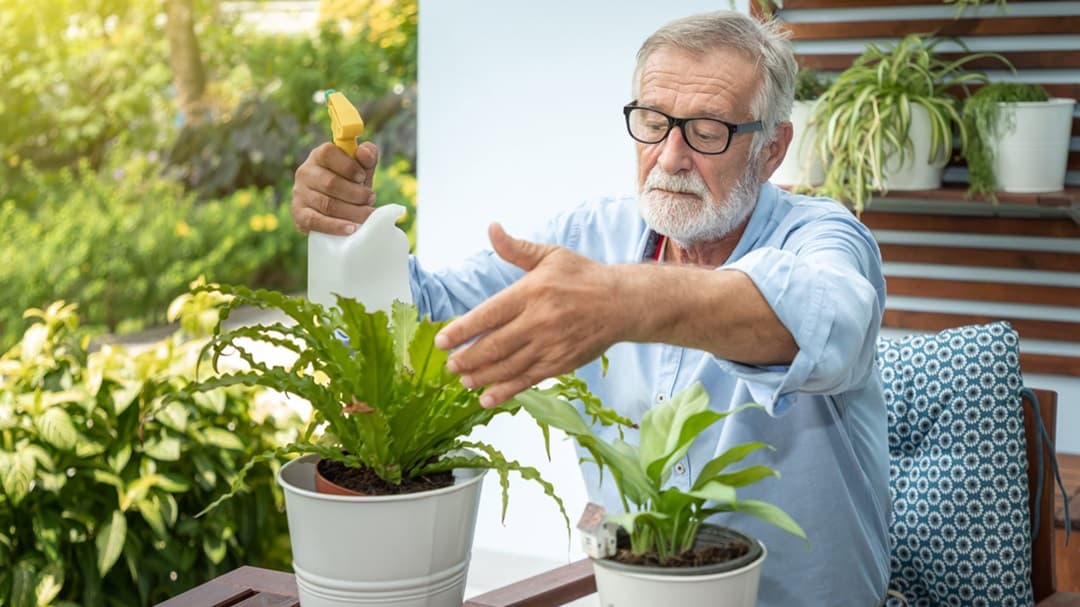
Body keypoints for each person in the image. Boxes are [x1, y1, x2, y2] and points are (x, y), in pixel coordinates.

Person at [291, 10, 890, 606]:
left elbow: (827, 322)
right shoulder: (587, 238)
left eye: (707, 132)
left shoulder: (825, 238)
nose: (671, 157)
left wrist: (622, 302)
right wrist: (346, 231)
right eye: (653, 123)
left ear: (771, 149)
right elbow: (418, 322)